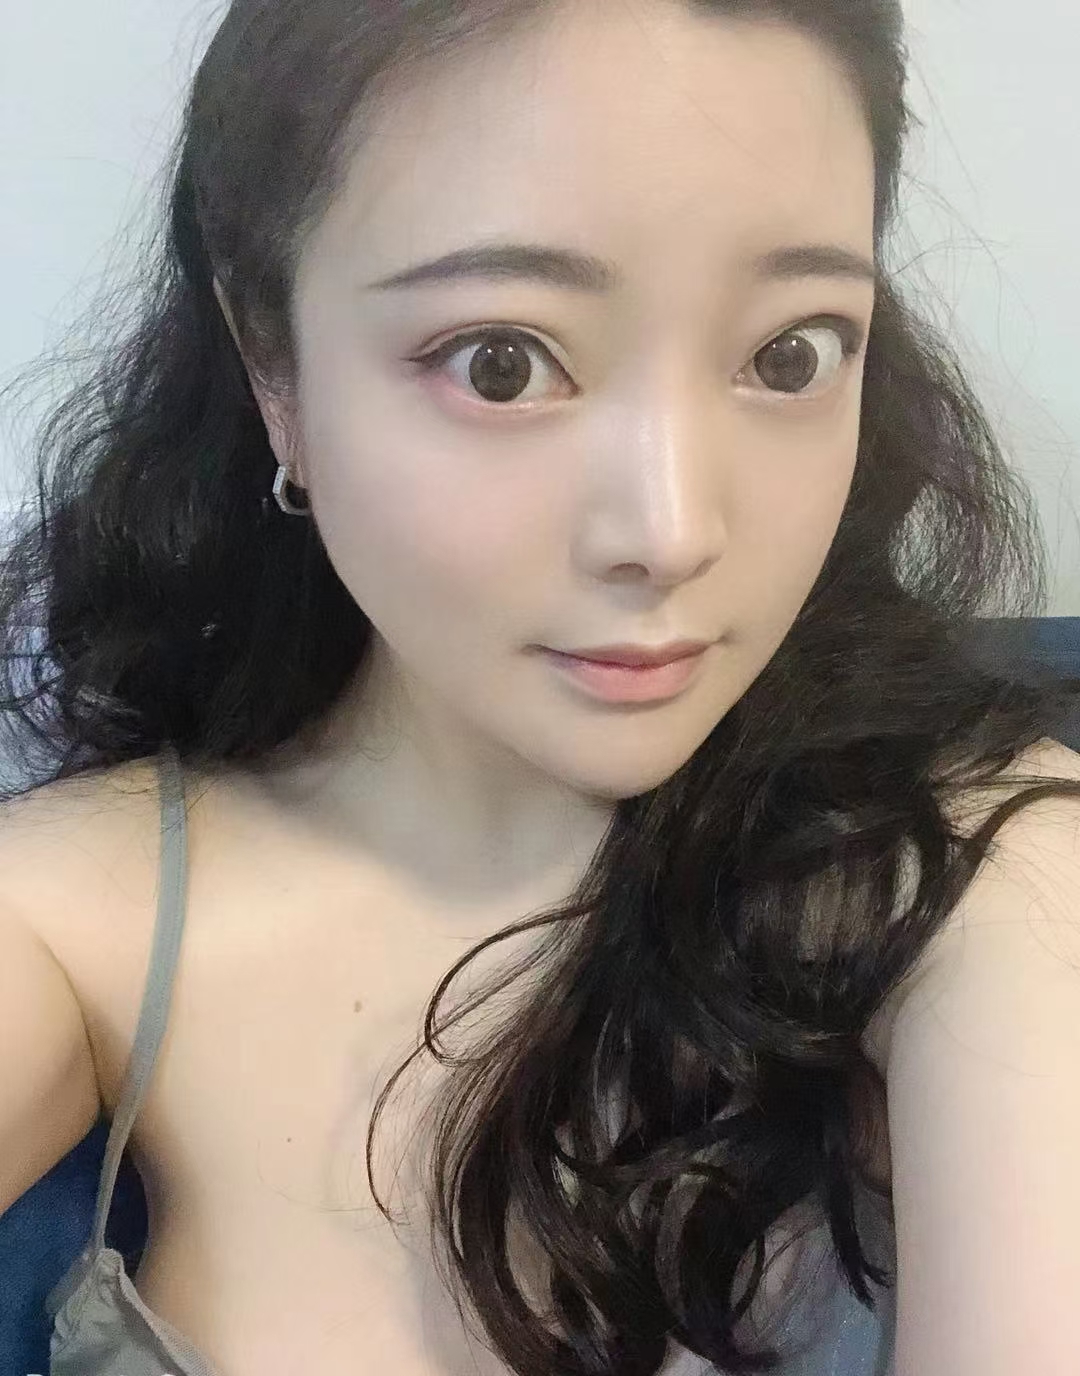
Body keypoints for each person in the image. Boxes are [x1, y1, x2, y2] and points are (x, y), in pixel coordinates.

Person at [1, 0, 1079, 1372]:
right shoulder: (70, 918)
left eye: (791, 354)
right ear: (273, 368)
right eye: (502, 363)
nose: (672, 532)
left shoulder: (984, 870)